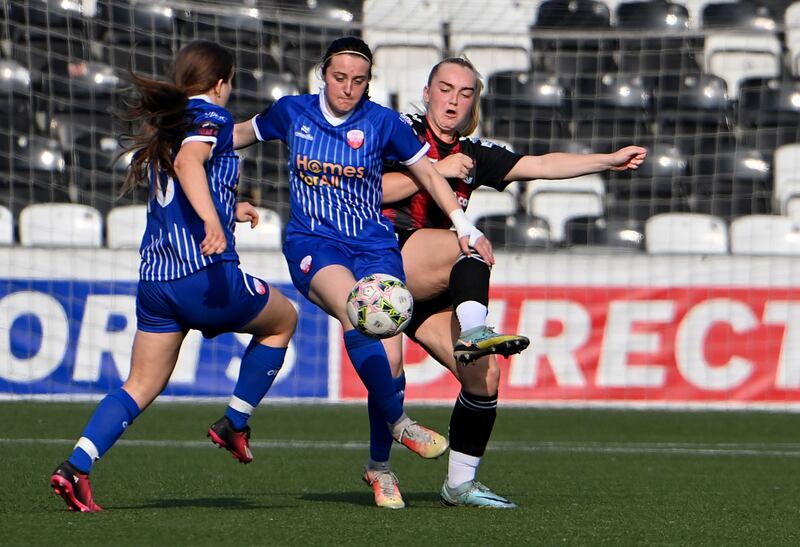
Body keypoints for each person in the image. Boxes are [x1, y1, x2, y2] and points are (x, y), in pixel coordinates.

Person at [233, 37, 492, 510]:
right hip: (314, 245)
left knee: (390, 364)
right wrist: (193, 155)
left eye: (358, 80)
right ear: (322, 74)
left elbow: (431, 175)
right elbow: (232, 137)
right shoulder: (291, 112)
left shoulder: (383, 123)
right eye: (339, 78)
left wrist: (464, 227)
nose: (348, 88)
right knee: (360, 310)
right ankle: (400, 423)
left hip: (375, 246)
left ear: (368, 81)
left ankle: (379, 468)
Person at [379, 57, 648, 508]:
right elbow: (371, 189)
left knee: (485, 376)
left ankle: (460, 484)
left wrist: (607, 160)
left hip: (430, 286)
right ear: (426, 94)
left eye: (465, 94)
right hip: (388, 261)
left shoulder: (473, 153)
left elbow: (539, 164)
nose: (454, 100)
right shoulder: (398, 131)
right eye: (445, 89)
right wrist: (434, 173)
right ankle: (474, 330)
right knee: (467, 241)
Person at [49, 40, 298, 512]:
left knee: (139, 386)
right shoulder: (211, 116)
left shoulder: (174, 120)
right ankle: (234, 424)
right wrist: (211, 222)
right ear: (221, 83)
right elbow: (189, 165)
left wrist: (228, 208)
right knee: (283, 320)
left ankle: (76, 468)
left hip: (156, 282)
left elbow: (188, 175)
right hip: (202, 276)